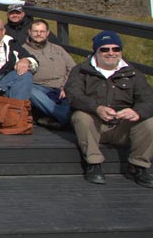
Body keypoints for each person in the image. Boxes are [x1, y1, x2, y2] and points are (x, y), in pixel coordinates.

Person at [65, 31, 153, 188]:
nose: (111, 53)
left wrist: (136, 112)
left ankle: (138, 166)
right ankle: (93, 164)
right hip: (95, 125)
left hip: (123, 126)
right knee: (81, 116)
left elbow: (148, 99)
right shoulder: (80, 71)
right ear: (96, 51)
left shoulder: (133, 73)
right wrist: (96, 108)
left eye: (116, 49)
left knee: (150, 122)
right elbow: (73, 95)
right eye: (105, 49)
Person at [21, 20, 76, 128]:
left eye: (42, 31)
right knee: (29, 89)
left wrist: (65, 86)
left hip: (63, 87)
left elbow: (73, 68)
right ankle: (66, 118)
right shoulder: (22, 50)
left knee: (75, 95)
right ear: (29, 32)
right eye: (35, 31)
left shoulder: (58, 49)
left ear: (47, 33)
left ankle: (55, 118)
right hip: (40, 88)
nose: (38, 34)